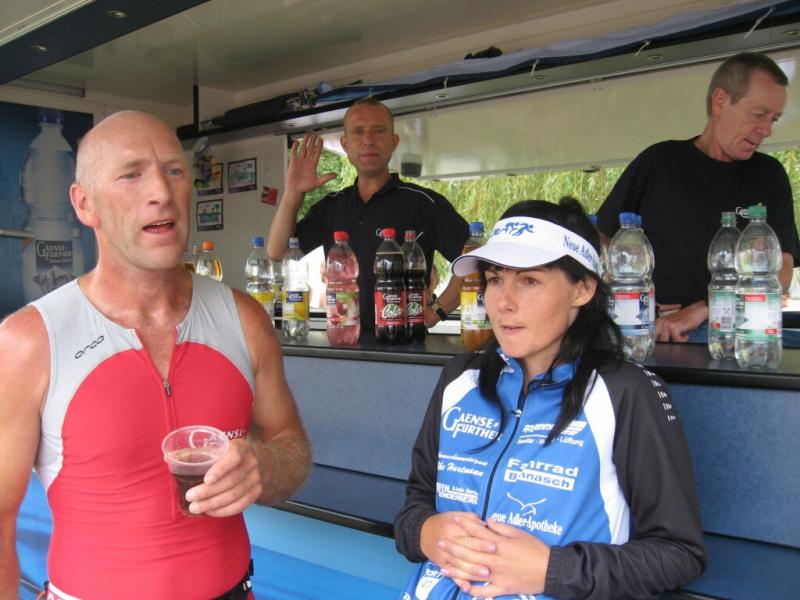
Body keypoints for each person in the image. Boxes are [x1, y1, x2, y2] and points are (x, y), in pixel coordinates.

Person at [0, 111, 311, 599]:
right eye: (132, 174)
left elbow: (290, 445)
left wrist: (263, 466)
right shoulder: (30, 341)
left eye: (174, 170)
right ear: (84, 204)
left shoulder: (244, 319)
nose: (161, 192)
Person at [395, 198, 706, 599]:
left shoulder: (624, 392)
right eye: (495, 279)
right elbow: (416, 503)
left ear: (583, 289)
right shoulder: (460, 379)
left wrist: (553, 571)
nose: (502, 302)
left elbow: (679, 553)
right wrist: (424, 532)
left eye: (529, 281)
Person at [597, 52, 800, 343]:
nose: (767, 130)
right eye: (759, 115)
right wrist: (630, 300)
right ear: (720, 101)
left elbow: (780, 273)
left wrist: (704, 309)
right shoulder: (660, 161)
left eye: (774, 119)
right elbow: (601, 240)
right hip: (654, 334)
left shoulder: (769, 174)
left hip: (740, 336)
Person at [267, 98, 470, 333]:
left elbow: (477, 260)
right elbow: (277, 252)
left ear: (394, 142)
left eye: (379, 130)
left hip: (404, 343)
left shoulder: (422, 204)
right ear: (345, 144)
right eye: (358, 132)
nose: (368, 140)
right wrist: (293, 192)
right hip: (343, 339)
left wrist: (437, 311)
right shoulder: (330, 208)